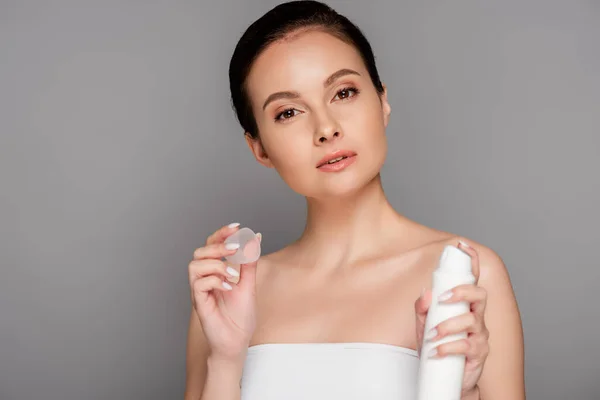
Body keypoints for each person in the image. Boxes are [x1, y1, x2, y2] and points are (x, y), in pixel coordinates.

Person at [185, 1, 525, 399]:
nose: (326, 128)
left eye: (344, 92)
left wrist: (462, 391)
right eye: (289, 112)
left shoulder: (467, 275)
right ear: (259, 148)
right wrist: (225, 360)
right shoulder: (230, 292)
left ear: (382, 102)